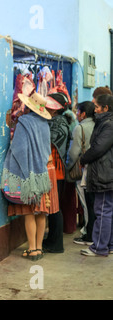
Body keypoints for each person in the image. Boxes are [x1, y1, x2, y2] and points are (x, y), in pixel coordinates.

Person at [3, 92, 58, 261]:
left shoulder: (24, 122)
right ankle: (39, 248)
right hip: (46, 172)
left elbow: (18, 149)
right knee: (41, 212)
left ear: (28, 106)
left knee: (29, 212)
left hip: (30, 173)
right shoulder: (44, 124)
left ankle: (31, 248)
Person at [80, 94, 113, 257]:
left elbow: (98, 148)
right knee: (107, 210)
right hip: (106, 172)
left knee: (103, 210)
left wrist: (83, 159)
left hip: (105, 174)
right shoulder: (104, 122)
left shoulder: (108, 124)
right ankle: (109, 245)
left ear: (105, 108)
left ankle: (99, 247)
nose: (95, 109)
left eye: (97, 106)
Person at [42, 92, 73, 253]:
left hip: (56, 170)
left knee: (54, 208)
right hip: (56, 169)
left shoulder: (56, 123)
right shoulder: (59, 121)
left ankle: (55, 244)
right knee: (55, 207)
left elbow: (50, 145)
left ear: (54, 109)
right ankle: (53, 241)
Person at [67, 102, 96, 246]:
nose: (76, 114)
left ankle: (87, 233)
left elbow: (74, 153)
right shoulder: (98, 125)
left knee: (86, 203)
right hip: (98, 169)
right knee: (95, 203)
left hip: (83, 170)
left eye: (78, 112)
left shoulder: (80, 128)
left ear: (83, 113)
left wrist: (68, 167)